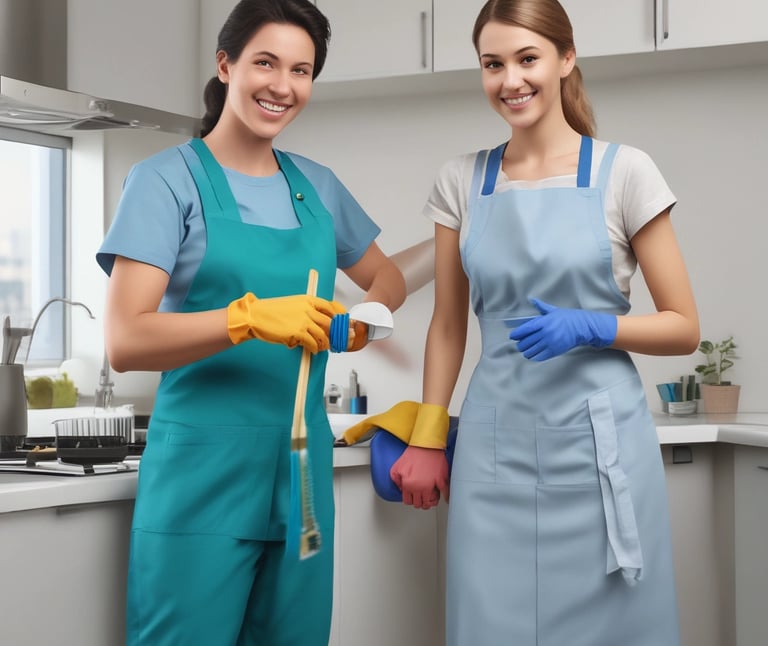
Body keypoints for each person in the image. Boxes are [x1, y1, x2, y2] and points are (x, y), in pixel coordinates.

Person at [388, 1, 699, 644]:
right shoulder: (461, 181)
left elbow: (683, 327)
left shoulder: (624, 172)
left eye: (527, 58)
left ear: (566, 58)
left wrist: (595, 328)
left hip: (599, 446)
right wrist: (426, 436)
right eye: (492, 64)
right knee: (489, 624)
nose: (511, 80)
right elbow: (447, 326)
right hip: (493, 445)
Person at [96, 1, 405, 644]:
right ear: (225, 64)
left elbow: (388, 278)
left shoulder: (317, 186)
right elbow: (127, 340)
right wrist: (249, 318)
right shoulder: (164, 181)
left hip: (301, 478)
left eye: (301, 70)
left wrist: (363, 321)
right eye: (265, 62)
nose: (282, 86)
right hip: (200, 478)